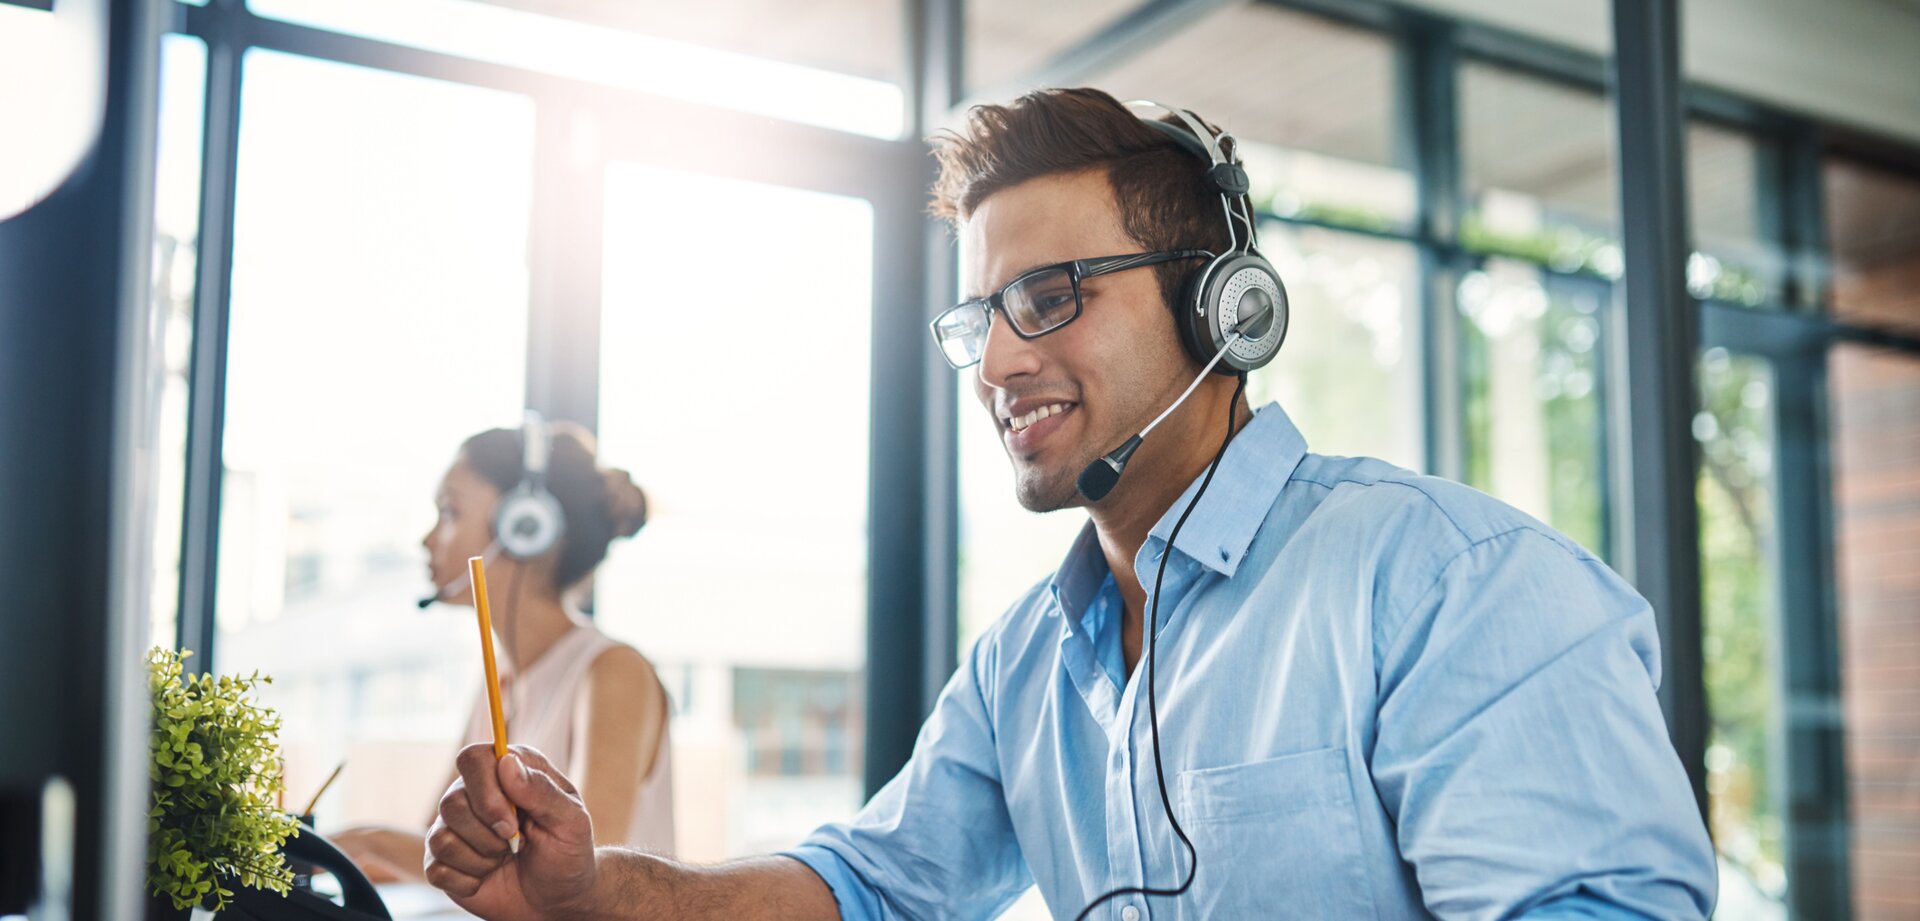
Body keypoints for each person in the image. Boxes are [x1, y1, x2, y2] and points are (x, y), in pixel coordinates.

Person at [418, 88, 1717, 919]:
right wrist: (593, 889)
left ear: (1226, 307)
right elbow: (870, 884)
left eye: (1051, 297)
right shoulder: (1025, 666)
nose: (993, 361)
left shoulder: (1450, 583)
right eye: (979, 317)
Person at [334, 420, 675, 882]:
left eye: (450, 513)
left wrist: (366, 842)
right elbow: (439, 852)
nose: (428, 540)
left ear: (523, 527)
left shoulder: (614, 673)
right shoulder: (502, 680)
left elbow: (583, 878)